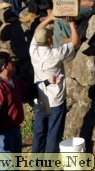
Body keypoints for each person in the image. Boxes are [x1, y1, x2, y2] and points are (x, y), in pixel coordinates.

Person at [0, 51, 60, 154]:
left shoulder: (13, 81)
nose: (13, 63)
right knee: (8, 165)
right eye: (10, 61)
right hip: (2, 133)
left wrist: (48, 82)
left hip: (15, 130)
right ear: (4, 67)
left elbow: (28, 91)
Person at [29, 14, 80, 153]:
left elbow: (37, 32)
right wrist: (71, 23)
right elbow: (75, 42)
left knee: (39, 131)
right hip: (55, 99)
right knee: (53, 133)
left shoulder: (33, 51)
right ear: (50, 40)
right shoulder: (56, 54)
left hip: (39, 97)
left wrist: (48, 18)